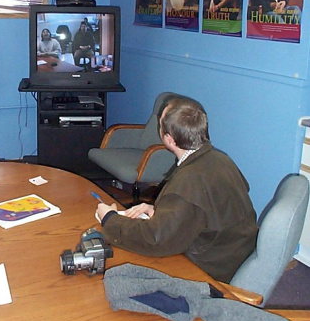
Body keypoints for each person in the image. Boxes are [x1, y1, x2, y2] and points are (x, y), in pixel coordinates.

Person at [96, 97, 258, 283]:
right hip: (232, 252)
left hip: (209, 269)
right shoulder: (221, 160)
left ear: (169, 139)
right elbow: (208, 208)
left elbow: (155, 240)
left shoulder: (188, 182)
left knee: (117, 269)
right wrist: (159, 210)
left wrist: (109, 219)